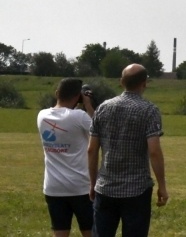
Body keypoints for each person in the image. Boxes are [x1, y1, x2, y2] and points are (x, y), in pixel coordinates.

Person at [88, 64, 168, 237]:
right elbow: (154, 151)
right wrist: (162, 185)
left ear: (121, 82)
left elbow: (92, 150)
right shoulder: (149, 110)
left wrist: (92, 183)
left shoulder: (102, 108)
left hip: (105, 186)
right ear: (144, 83)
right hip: (137, 189)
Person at [37, 78, 95, 237]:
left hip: (53, 187)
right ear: (78, 96)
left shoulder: (42, 115)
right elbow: (100, 129)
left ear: (57, 93)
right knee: (90, 231)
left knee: (60, 232)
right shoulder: (79, 116)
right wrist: (88, 105)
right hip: (80, 186)